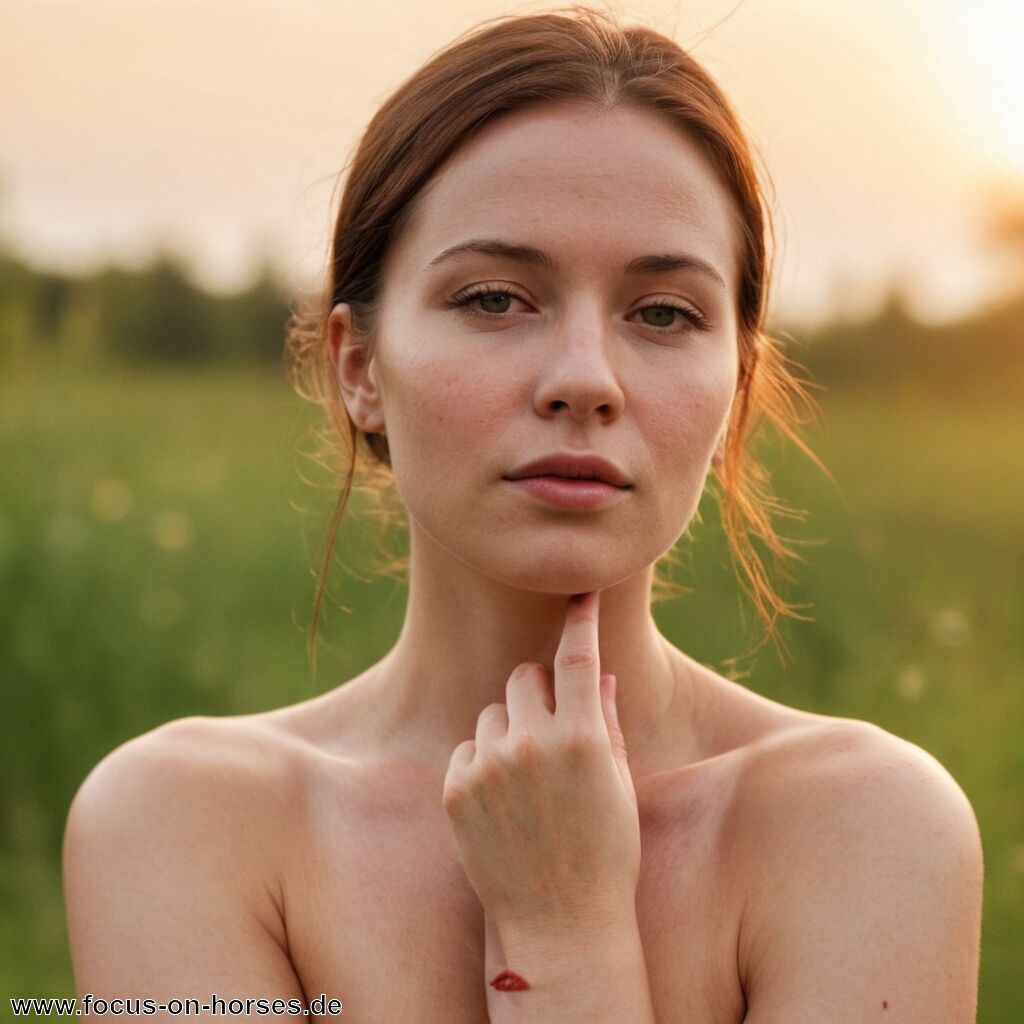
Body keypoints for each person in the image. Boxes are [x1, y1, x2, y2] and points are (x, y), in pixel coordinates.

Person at [63, 7, 984, 1022]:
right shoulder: (180, 823)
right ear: (359, 368)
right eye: (496, 298)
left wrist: (569, 940)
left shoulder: (868, 827)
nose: (584, 379)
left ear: (738, 386)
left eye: (664, 313)